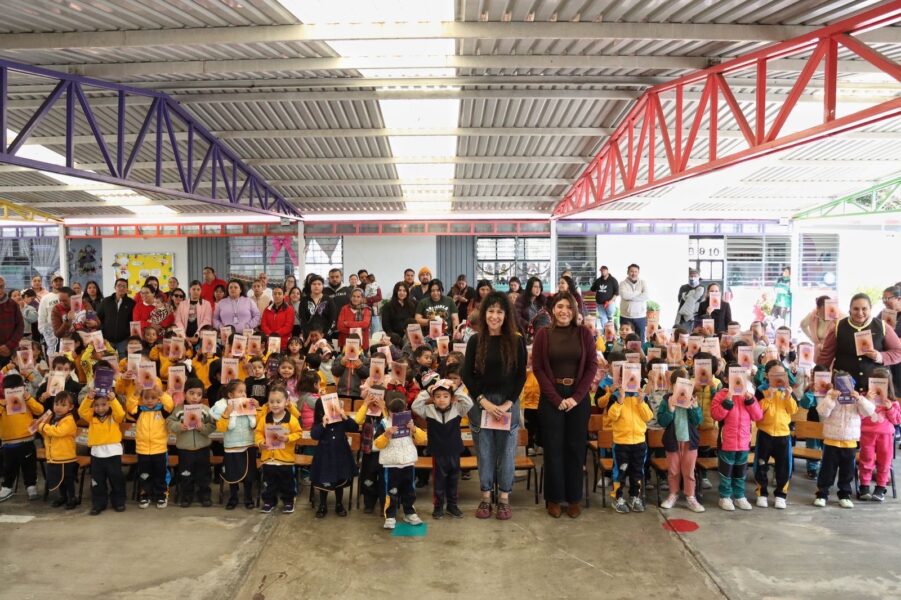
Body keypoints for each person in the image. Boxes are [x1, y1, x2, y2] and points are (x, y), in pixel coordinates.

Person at [531, 291, 597, 518]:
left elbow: (592, 366)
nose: (564, 311)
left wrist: (576, 397)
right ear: (552, 309)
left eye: (568, 307)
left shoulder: (584, 333)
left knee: (575, 449)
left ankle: (574, 498)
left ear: (575, 310)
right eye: (560, 306)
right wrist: (556, 399)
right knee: (553, 448)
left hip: (578, 398)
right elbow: (538, 368)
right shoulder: (543, 334)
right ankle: (554, 498)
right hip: (551, 397)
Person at [462, 291, 527, 521]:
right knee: (485, 453)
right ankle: (486, 497)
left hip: (508, 403)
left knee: (507, 454)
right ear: (484, 314)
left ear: (506, 315)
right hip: (481, 404)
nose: (495, 316)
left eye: (500, 311)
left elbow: (520, 376)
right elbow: (466, 375)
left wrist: (509, 402)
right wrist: (483, 401)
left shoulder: (517, 340)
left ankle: (504, 499)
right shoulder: (475, 340)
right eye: (491, 311)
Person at [412, 378, 473, 519]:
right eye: (438, 396)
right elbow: (415, 406)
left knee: (453, 480)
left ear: (452, 398)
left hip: (454, 452)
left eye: (446, 396)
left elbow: (469, 403)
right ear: (433, 398)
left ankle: (452, 506)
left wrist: (456, 389)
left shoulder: (458, 409)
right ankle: (438, 506)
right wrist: (427, 391)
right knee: (439, 481)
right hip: (438, 453)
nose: (441, 399)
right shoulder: (428, 411)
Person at [814, 372, 876, 508]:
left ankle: (844, 495)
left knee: (847, 472)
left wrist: (860, 399)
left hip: (850, 441)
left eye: (847, 382)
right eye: (840, 383)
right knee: (827, 470)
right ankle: (822, 494)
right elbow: (822, 412)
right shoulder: (831, 395)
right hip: (831, 440)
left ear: (852, 383)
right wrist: (831, 398)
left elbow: (869, 412)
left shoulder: (856, 396)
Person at [816, 293, 901, 391]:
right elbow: (825, 358)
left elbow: (898, 352)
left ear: (870, 309)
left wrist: (879, 356)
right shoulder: (838, 328)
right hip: (844, 387)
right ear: (850, 309)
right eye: (856, 309)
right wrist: (818, 378)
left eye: (864, 309)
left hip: (876, 387)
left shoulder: (883, 326)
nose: (860, 313)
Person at [711, 364, 763, 511]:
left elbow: (758, 416)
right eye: (734, 376)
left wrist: (750, 401)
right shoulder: (721, 395)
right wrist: (728, 400)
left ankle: (739, 496)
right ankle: (725, 496)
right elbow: (716, 415)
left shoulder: (748, 395)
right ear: (726, 379)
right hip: (727, 442)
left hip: (744, 442)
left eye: (741, 376)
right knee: (725, 472)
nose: (738, 380)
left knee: (741, 472)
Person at [657, 368, 705, 513]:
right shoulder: (666, 400)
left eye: (685, 384)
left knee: (689, 471)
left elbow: (698, 421)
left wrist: (694, 408)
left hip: (689, 442)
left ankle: (690, 496)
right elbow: (662, 421)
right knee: (673, 471)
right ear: (672, 386)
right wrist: (670, 409)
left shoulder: (692, 399)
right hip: (673, 441)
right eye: (678, 385)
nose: (682, 389)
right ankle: (673, 494)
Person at [376, 393, 426, 530]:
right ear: (388, 410)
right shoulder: (384, 423)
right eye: (394, 412)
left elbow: (422, 439)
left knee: (409, 490)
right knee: (391, 491)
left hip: (408, 462)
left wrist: (414, 429)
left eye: (400, 412)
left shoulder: (410, 422)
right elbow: (377, 444)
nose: (397, 415)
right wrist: (386, 435)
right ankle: (390, 516)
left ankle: (409, 513)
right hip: (391, 464)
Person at [753, 361, 798, 509]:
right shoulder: (761, 390)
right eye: (775, 374)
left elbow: (793, 411)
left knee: (783, 467)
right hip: (765, 434)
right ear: (767, 375)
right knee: (761, 465)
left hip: (783, 435)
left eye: (782, 374)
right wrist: (769, 397)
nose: (779, 377)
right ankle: (762, 493)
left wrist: (788, 396)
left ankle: (781, 495)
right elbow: (757, 413)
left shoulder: (787, 390)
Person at [167, 378, 216, 508]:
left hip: (202, 449)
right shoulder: (178, 410)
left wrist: (202, 428)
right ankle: (187, 496)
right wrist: (179, 426)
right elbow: (169, 422)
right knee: (186, 474)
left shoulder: (205, 409)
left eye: (199, 394)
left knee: (204, 474)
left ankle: (204, 495)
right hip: (185, 450)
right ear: (184, 393)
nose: (195, 397)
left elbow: (212, 425)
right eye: (191, 393)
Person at [78, 387, 127, 515]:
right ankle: (99, 503)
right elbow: (81, 411)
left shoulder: (114, 415)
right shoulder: (91, 416)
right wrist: (88, 398)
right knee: (97, 481)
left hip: (113, 453)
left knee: (116, 479)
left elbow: (121, 414)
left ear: (109, 404)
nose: (100, 408)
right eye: (96, 405)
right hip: (97, 454)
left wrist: (114, 400)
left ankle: (119, 501)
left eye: (104, 404)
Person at [311, 390, 359, 518]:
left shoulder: (341, 420)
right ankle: (322, 505)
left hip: (340, 455)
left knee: (340, 479)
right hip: (325, 456)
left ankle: (339, 504)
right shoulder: (319, 423)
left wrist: (345, 416)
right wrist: (323, 424)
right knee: (324, 480)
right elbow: (314, 435)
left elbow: (354, 428)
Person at [211, 379, 258, 510]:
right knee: (232, 474)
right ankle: (233, 497)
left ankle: (248, 497)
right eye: (240, 392)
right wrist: (227, 413)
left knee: (249, 475)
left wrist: (258, 408)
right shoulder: (224, 408)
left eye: (245, 392)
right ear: (231, 395)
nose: (244, 394)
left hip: (248, 445)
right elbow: (221, 428)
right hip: (231, 447)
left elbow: (256, 424)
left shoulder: (249, 405)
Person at [126, 384, 175, 509]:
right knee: (144, 474)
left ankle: (161, 495)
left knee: (160, 474)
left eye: (153, 398)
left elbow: (170, 405)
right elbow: (130, 407)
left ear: (158, 399)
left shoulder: (162, 411)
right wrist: (136, 394)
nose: (149, 401)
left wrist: (161, 393)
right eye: (146, 398)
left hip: (159, 449)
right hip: (142, 450)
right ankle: (145, 495)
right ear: (142, 399)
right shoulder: (139, 411)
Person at [256, 385, 302, 514]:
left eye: (278, 401)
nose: (275, 405)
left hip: (285, 459)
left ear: (286, 402)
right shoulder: (264, 419)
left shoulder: (291, 419)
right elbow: (258, 433)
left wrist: (288, 438)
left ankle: (288, 502)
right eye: (271, 402)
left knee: (287, 483)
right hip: (268, 459)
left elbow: (298, 433)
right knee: (268, 482)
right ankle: (269, 501)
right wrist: (260, 442)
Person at [856, 367, 899, 503]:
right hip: (867, 434)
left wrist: (890, 408)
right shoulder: (864, 398)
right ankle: (864, 486)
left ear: (888, 384)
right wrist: (866, 400)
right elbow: (858, 416)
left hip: (885, 436)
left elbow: (897, 420)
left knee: (884, 462)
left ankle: (880, 487)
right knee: (866, 460)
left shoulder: (892, 402)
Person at [0, 373, 44, 502]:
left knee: (29, 466)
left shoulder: (27, 400)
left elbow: (40, 410)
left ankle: (31, 487)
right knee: (9, 467)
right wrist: (3, 405)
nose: (13, 391)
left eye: (17, 388)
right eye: (9, 389)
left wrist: (28, 398)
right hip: (8, 443)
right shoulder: (1, 403)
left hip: (27, 440)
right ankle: (7, 487)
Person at [38, 391, 78, 509]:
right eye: (56, 404)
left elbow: (58, 432)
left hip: (66, 456)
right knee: (59, 479)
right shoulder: (52, 418)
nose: (58, 407)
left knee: (68, 479)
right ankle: (63, 496)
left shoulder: (69, 420)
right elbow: (47, 433)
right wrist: (39, 427)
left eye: (63, 405)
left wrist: (43, 427)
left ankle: (72, 498)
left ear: (71, 407)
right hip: (54, 456)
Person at [299, 274, 337, 339]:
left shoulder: (329, 300)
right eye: (314, 284)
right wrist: (310, 335)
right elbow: (302, 321)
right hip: (309, 337)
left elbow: (333, 320)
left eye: (319, 284)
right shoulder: (304, 301)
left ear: (323, 286)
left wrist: (324, 335)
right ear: (310, 286)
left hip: (325, 337)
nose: (316, 286)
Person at [878, 286, 901, 392]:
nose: (884, 301)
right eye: (883, 299)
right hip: (886, 361)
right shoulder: (883, 314)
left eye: (887, 298)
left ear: (899, 298)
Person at [619, 264, 649, 341]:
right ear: (627, 272)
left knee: (640, 339)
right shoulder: (622, 283)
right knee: (625, 339)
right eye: (631, 271)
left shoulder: (643, 282)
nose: (634, 273)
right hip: (626, 316)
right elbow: (624, 295)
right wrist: (638, 293)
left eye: (636, 272)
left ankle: (640, 350)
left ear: (638, 272)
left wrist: (630, 297)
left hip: (640, 316)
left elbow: (646, 295)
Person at [0, 277, 25, 368]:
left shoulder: (13, 304)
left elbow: (20, 326)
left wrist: (8, 346)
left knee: (11, 376)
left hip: (10, 351)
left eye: (1, 286)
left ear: (4, 287)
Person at [261, 286, 294, 351]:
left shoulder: (289, 309)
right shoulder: (267, 309)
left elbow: (288, 327)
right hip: (269, 341)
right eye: (275, 294)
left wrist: (275, 334)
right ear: (272, 295)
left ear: (284, 295)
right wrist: (271, 334)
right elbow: (263, 325)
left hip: (284, 343)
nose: (277, 296)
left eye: (279, 293)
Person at [37, 283, 60, 353]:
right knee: (52, 350)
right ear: (52, 283)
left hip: (64, 328)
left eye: (60, 281)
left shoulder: (66, 295)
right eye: (56, 281)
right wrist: (42, 330)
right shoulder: (46, 298)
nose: (58, 282)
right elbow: (41, 315)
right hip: (50, 330)